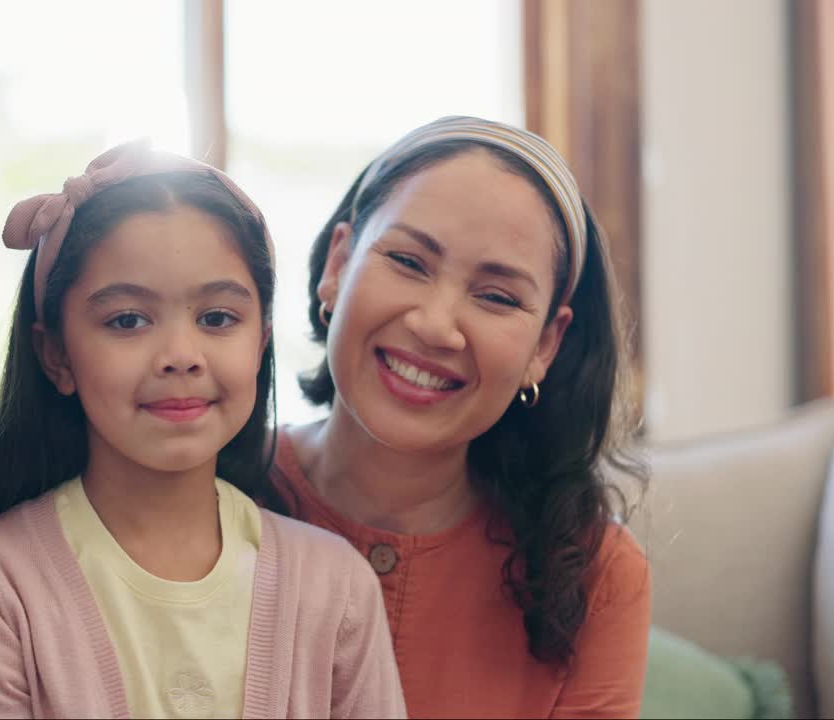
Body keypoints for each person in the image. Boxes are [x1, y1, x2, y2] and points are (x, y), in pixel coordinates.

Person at [0, 141, 406, 719]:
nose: (181, 355)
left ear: (262, 340)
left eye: (217, 318)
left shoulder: (337, 587)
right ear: (56, 355)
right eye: (127, 320)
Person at [272, 116, 651, 718]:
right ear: (338, 265)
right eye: (408, 261)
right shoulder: (204, 490)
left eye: (497, 297)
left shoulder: (595, 573)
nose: (434, 325)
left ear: (544, 348)